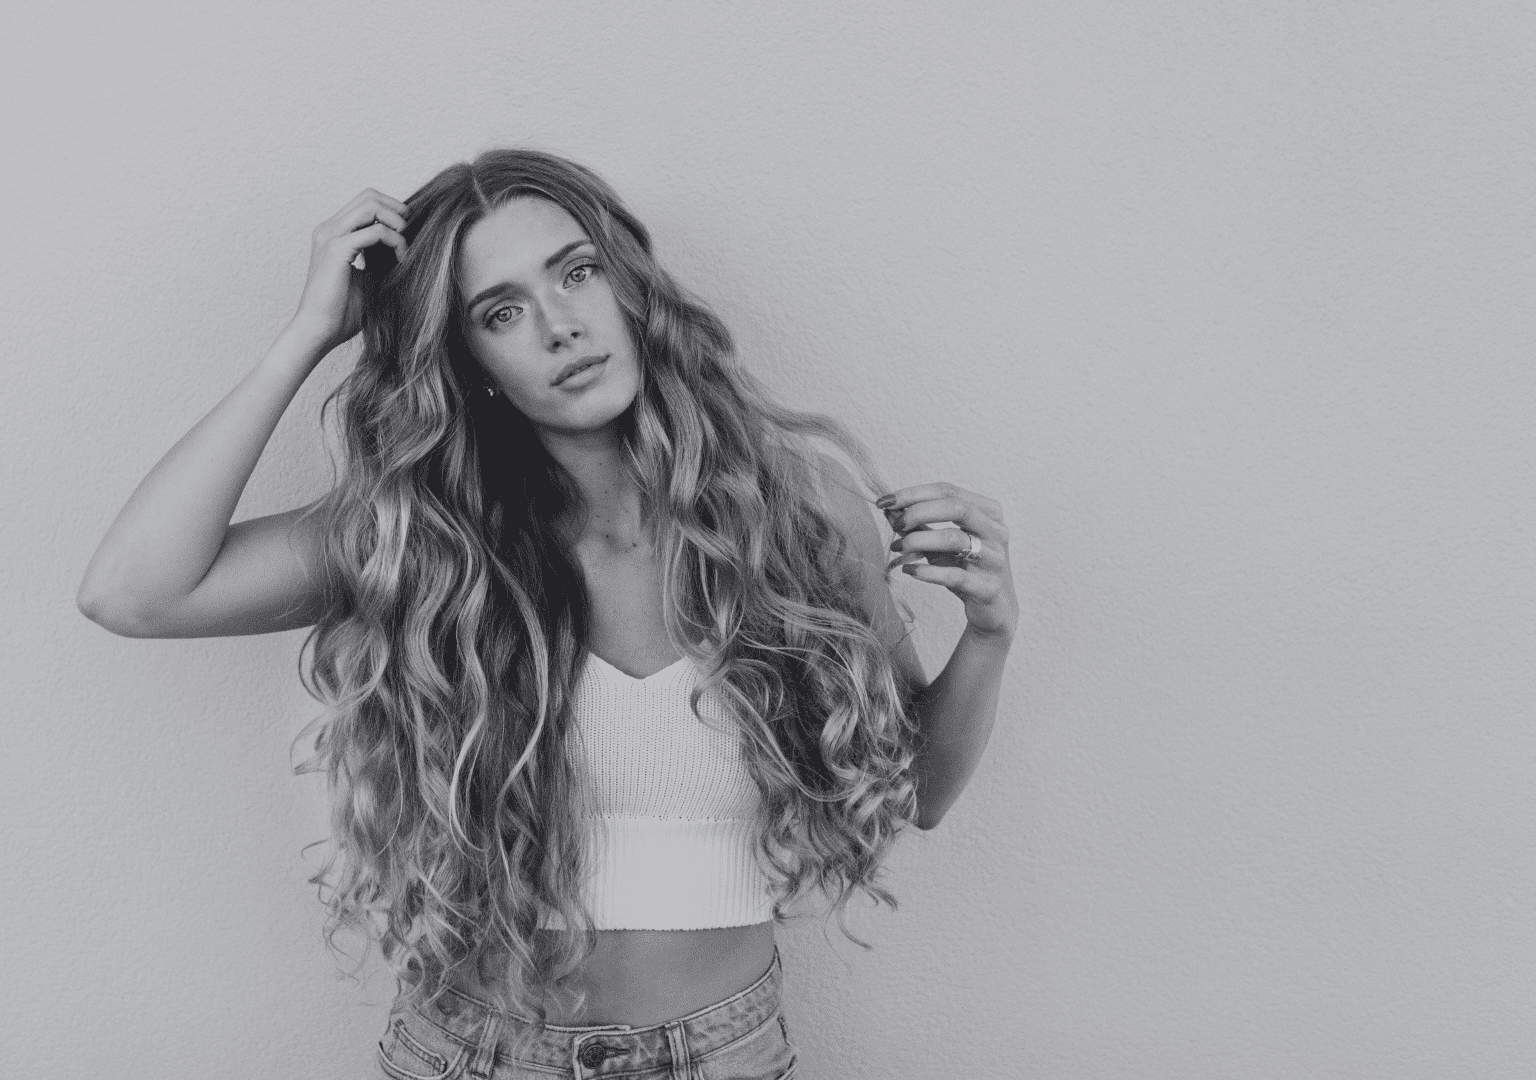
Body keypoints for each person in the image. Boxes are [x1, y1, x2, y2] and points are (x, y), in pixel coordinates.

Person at [77, 148, 1017, 1078]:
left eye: (577, 273)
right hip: (474, 1055)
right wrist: (310, 333)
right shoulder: (427, 543)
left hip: (722, 1054)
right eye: (502, 311)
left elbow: (917, 793)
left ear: (631, 287)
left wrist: (988, 635)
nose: (561, 326)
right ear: (468, 359)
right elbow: (135, 592)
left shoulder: (796, 512)